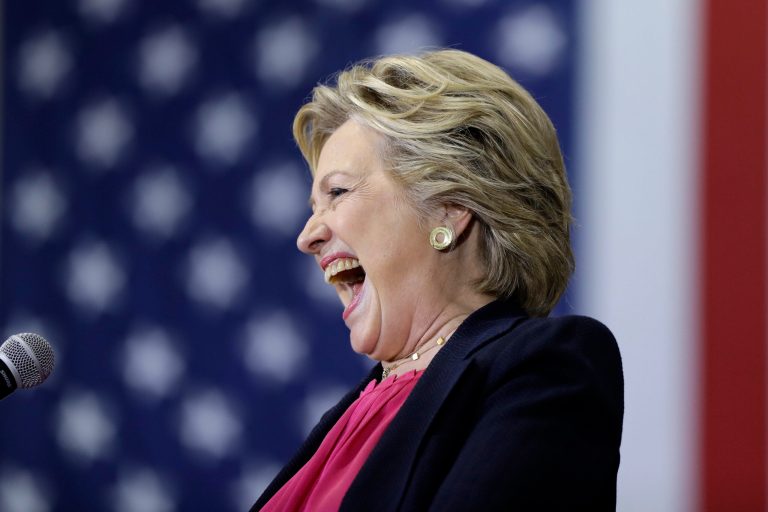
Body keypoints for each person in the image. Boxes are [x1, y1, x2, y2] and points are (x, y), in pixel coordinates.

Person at [251, 49, 623, 511]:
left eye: (338, 193)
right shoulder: (347, 417)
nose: (307, 236)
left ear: (450, 206)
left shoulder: (545, 365)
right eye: (314, 207)